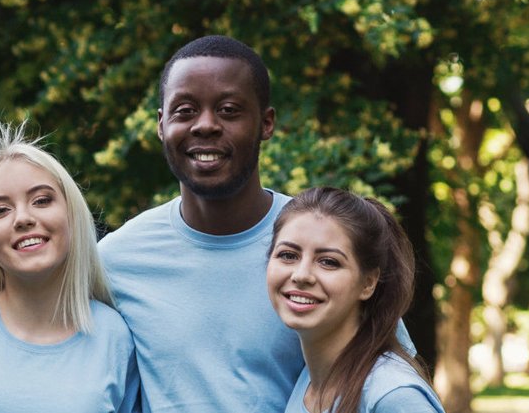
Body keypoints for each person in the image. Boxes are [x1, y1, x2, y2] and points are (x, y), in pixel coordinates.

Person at [97, 35, 409, 412]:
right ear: (161, 125)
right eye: (185, 111)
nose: (206, 125)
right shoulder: (115, 260)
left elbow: (386, 377)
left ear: (266, 123)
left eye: (229, 110)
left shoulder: (324, 243)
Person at [0, 122, 138, 412]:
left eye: (41, 200)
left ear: (72, 218)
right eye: (0, 210)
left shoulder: (114, 337)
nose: (23, 218)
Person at [269, 187, 442, 412]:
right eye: (288, 255)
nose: (301, 275)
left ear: (368, 282)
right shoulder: (310, 382)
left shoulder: (393, 396)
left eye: (329, 261)